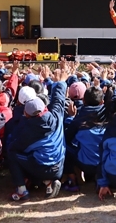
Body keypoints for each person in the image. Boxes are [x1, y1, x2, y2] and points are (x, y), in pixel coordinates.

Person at [7, 70, 68, 201]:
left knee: (12, 153)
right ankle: (48, 182)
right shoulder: (56, 115)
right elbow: (58, 98)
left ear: (26, 114)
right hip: (59, 165)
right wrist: (61, 82)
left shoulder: (27, 130)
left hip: (43, 167)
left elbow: (15, 147)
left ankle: (22, 190)